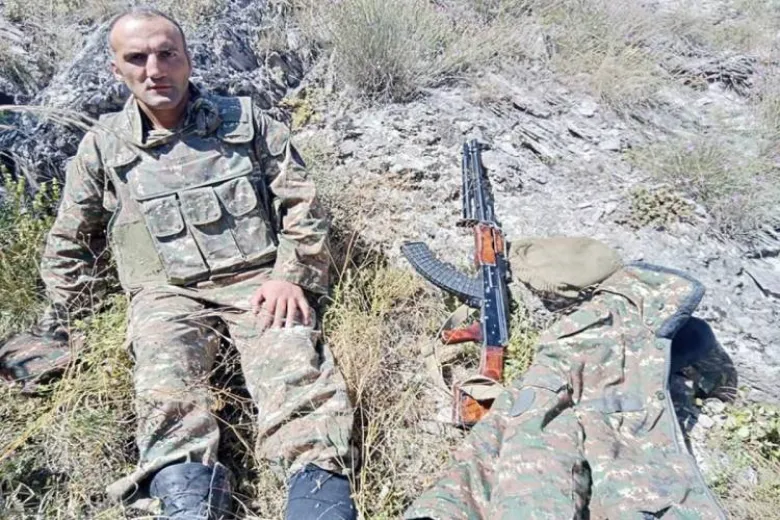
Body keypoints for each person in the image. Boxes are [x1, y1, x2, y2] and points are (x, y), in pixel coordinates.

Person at [0, 7, 357, 519]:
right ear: (116, 69)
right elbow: (69, 242)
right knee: (165, 388)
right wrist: (71, 321)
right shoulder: (103, 146)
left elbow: (303, 204)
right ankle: (188, 503)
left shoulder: (246, 123)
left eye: (167, 54)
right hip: (165, 295)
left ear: (188, 59)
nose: (154, 70)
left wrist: (290, 276)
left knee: (297, 374)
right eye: (137, 58)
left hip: (257, 283)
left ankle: (317, 501)